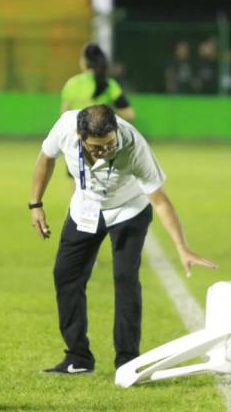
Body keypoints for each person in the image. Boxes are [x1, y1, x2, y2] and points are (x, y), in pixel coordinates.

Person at [29, 104, 216, 374]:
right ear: (80, 136)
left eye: (109, 144)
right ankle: (77, 358)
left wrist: (181, 246)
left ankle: (128, 361)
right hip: (86, 209)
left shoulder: (133, 145)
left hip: (129, 210)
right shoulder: (65, 127)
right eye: (96, 147)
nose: (104, 151)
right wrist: (35, 204)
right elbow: (45, 158)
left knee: (125, 280)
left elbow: (161, 201)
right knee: (65, 276)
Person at [61, 43, 135, 122]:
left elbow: (64, 116)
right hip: (101, 132)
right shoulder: (109, 84)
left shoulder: (72, 83)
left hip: (77, 132)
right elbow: (129, 115)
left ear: (84, 61)